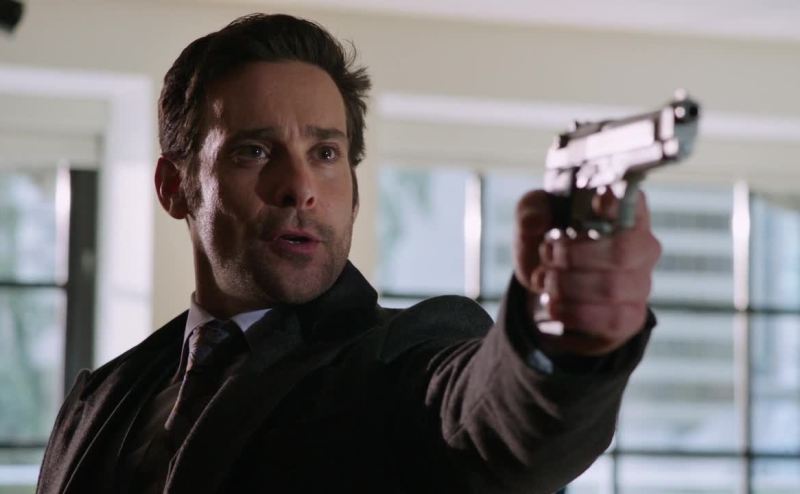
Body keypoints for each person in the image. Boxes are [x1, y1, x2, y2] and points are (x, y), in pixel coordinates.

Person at [37, 13, 661, 494]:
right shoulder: (100, 397)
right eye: (255, 151)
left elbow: (500, 424)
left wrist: (561, 340)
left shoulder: (401, 360)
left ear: (354, 191)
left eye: (326, 153)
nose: (300, 187)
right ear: (175, 187)